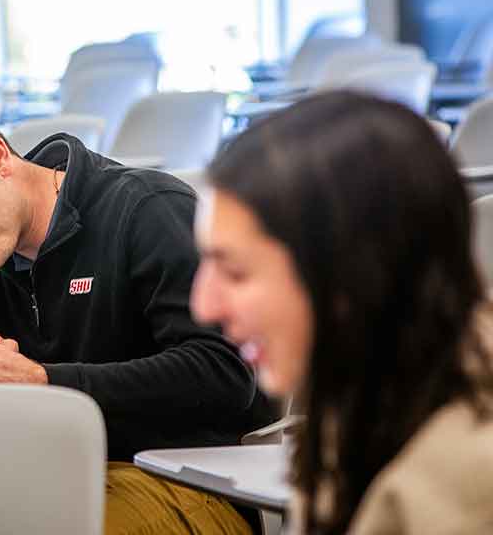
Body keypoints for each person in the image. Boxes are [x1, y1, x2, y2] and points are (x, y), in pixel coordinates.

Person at [0, 97, 275, 534]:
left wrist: (48, 382)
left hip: (184, 479)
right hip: (61, 471)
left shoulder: (147, 209)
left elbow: (223, 374)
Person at [191, 91, 493, 534]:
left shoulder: (458, 489)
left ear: (353, 276)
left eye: (236, 273)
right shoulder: (368, 403)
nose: (204, 305)